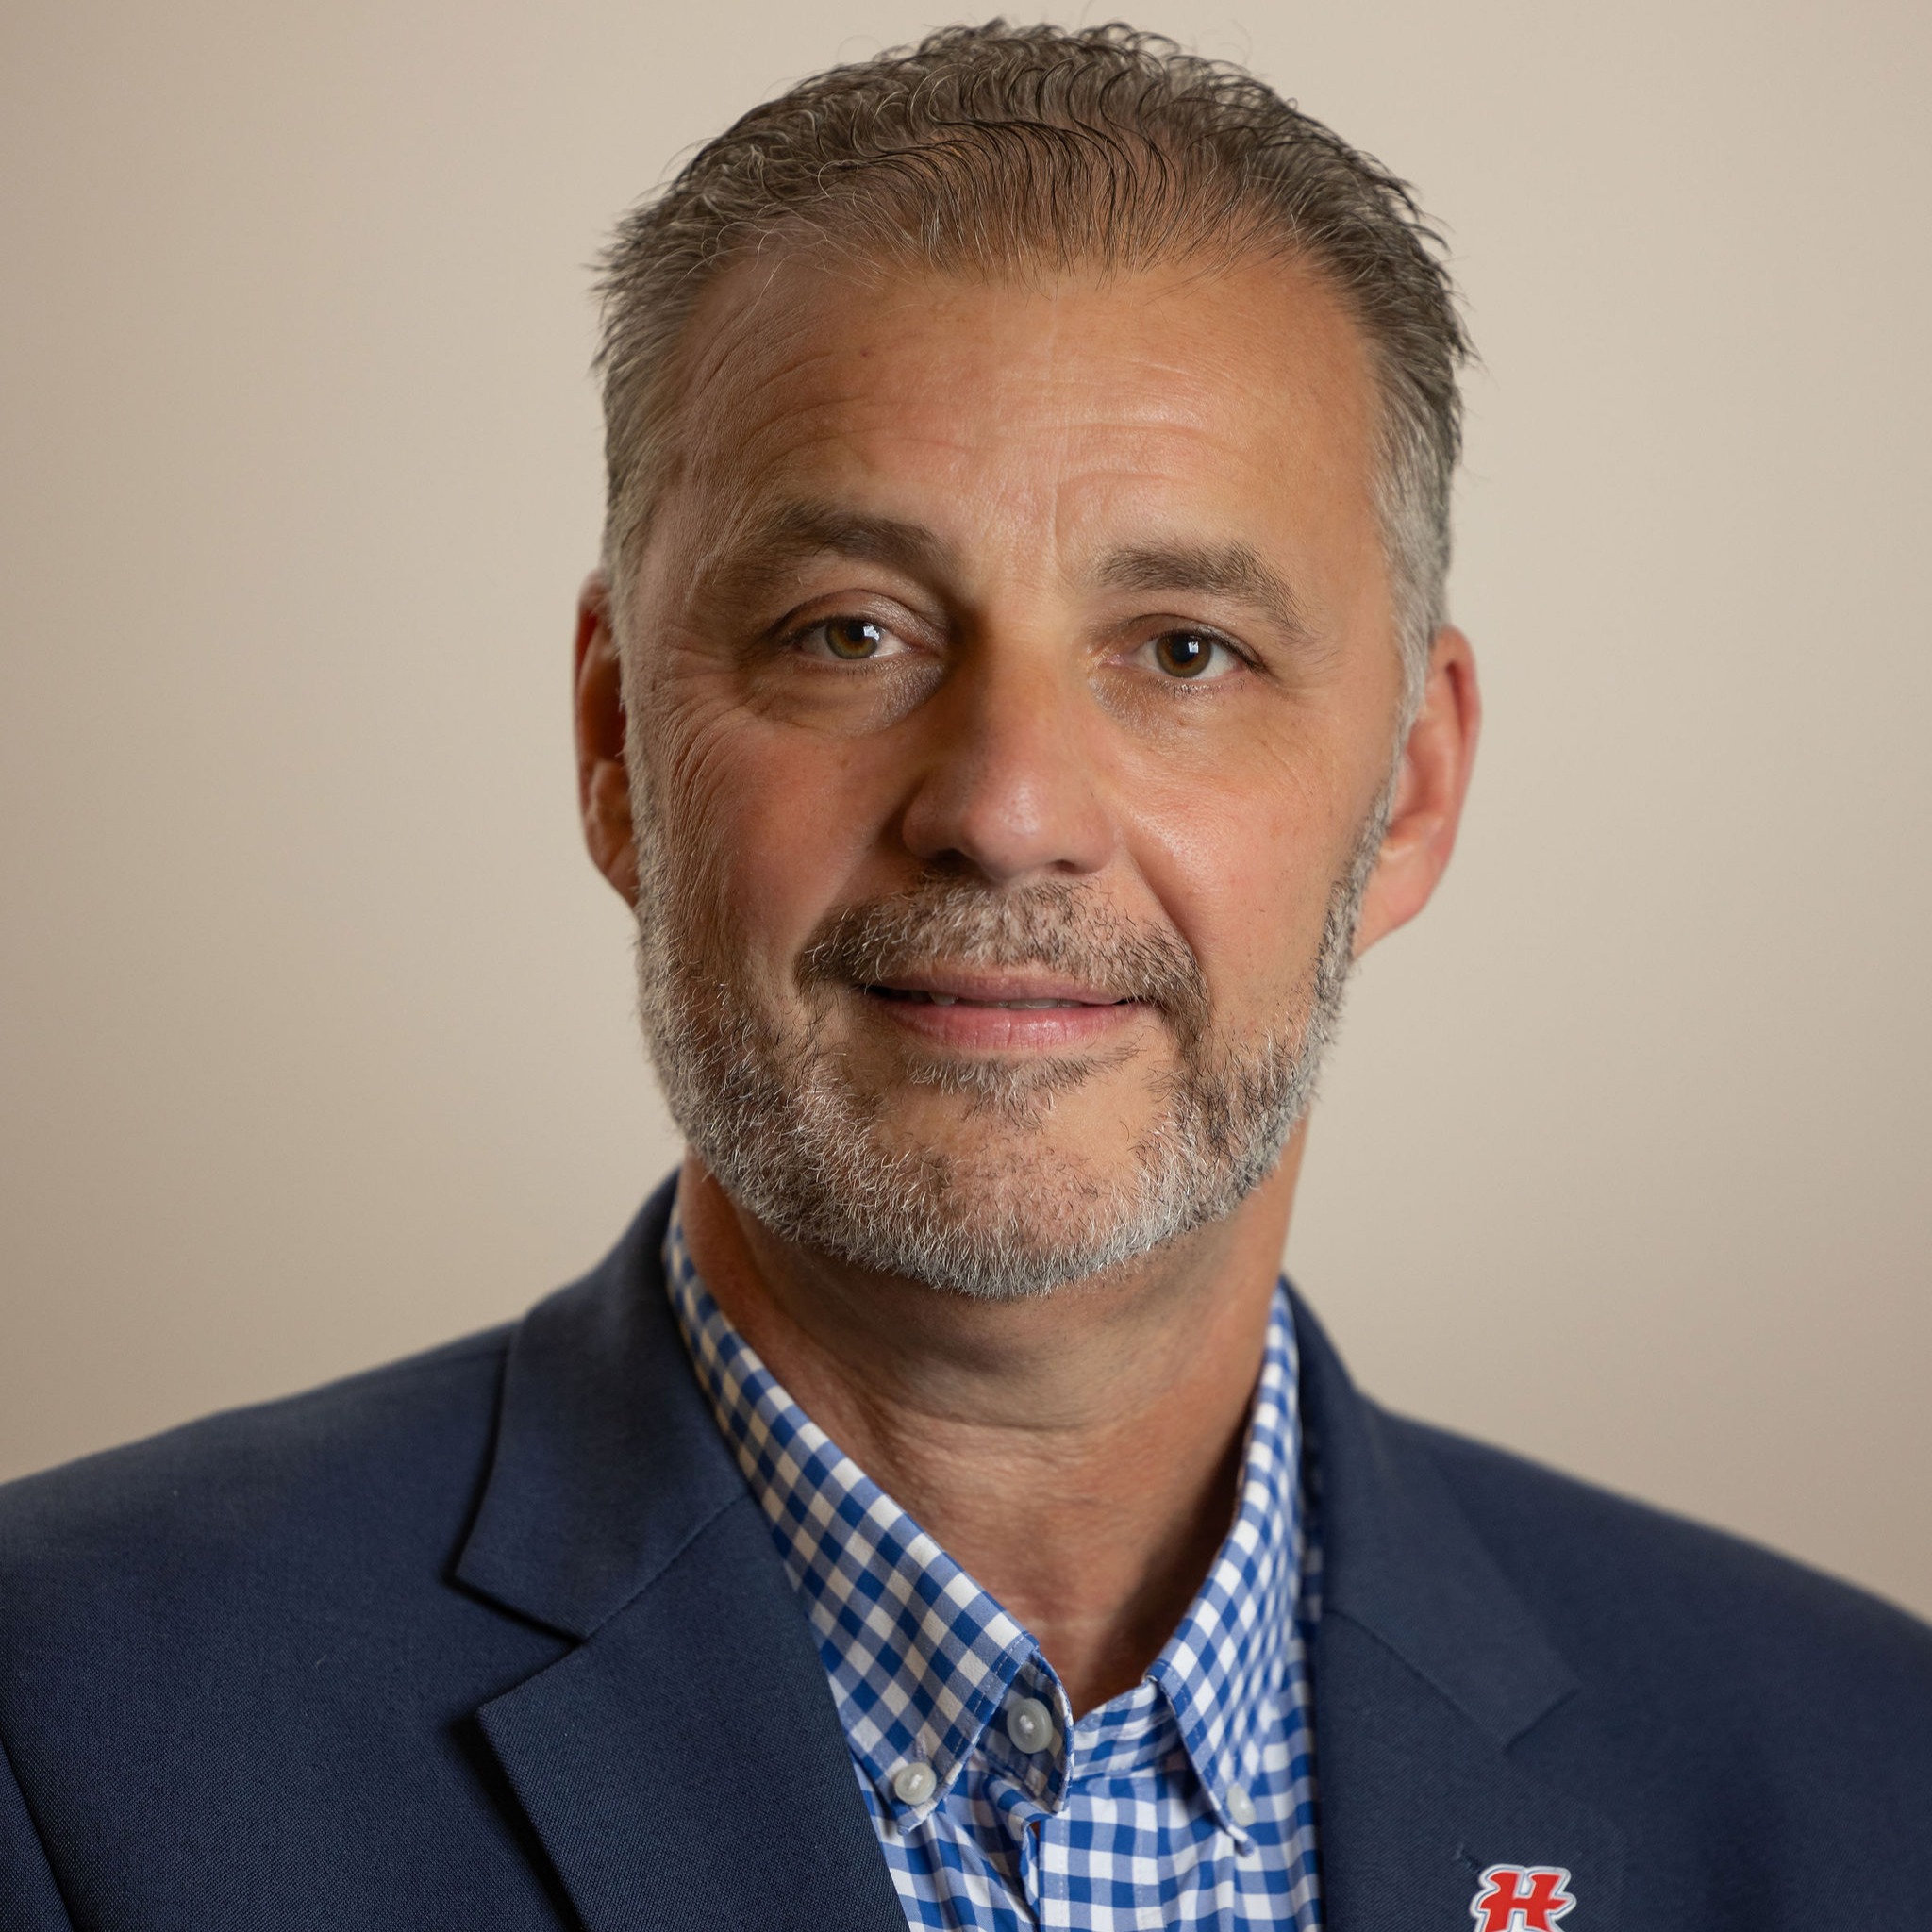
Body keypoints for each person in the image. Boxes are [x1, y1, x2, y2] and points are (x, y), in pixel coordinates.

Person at [2, 21, 1927, 1929]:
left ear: (1409, 785)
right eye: (848, 632)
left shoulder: (1865, 1774)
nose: (1007, 810)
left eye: (1182, 650)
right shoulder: (66, 1726)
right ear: (613, 746)